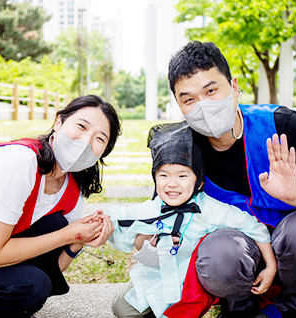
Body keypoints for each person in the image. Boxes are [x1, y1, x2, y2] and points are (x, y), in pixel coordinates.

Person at [164, 41, 296, 318]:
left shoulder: (283, 126)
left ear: (234, 88)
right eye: (189, 99)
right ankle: (240, 308)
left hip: (294, 241)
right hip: (238, 251)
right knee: (218, 254)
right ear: (179, 106)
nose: (203, 106)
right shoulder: (180, 150)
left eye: (211, 91)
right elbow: (163, 214)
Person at [0, 95, 122, 318]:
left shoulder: (72, 190)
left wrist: (77, 242)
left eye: (99, 139)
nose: (86, 142)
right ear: (59, 123)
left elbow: (51, 270)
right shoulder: (21, 162)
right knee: (32, 285)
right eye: (81, 126)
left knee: (53, 229)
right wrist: (67, 235)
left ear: (103, 152)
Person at [106, 122, 276, 318]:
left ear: (199, 182)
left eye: (182, 175)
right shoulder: (153, 208)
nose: (172, 184)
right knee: (121, 308)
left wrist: (271, 266)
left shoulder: (210, 208)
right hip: (159, 275)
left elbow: (254, 227)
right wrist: (103, 224)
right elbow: (120, 219)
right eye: (163, 175)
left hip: (192, 282)